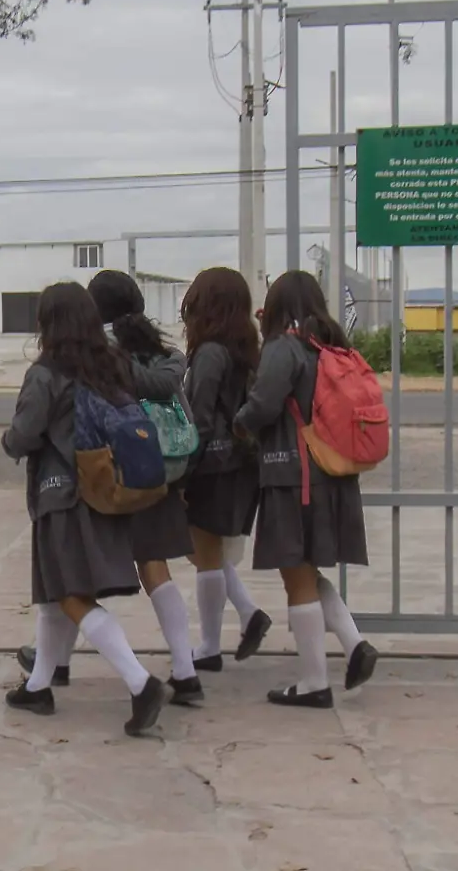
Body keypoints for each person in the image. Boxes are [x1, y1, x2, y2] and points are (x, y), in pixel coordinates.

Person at [14, 271, 204, 705]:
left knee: (67, 586)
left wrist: (11, 443)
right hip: (139, 473)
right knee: (84, 583)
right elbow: (159, 385)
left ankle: (126, 680)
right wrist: (176, 357)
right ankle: (43, 681)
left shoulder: (58, 368)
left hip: (82, 486)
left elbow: (26, 431)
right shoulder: (115, 358)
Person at [235, 270, 378, 708]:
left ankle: (315, 682)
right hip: (332, 474)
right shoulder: (335, 347)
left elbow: (263, 405)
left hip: (292, 476)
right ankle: (354, 643)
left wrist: (240, 423)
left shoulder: (285, 348)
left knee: (296, 575)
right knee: (309, 572)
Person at [178, 267, 273, 671]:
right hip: (240, 463)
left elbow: (198, 418)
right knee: (210, 552)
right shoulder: (247, 349)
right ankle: (249, 614)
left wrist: (184, 472)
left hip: (212, 465)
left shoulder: (209, 353)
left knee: (204, 553)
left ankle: (210, 646)